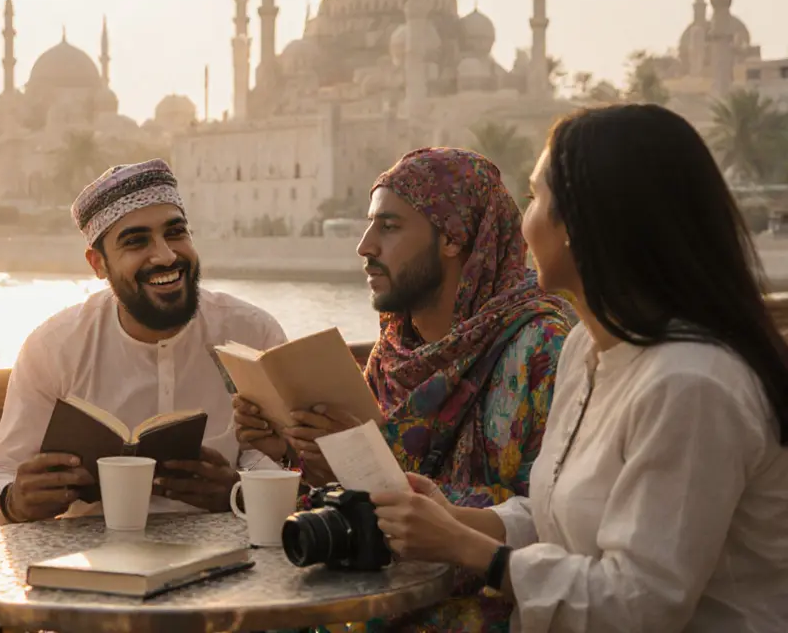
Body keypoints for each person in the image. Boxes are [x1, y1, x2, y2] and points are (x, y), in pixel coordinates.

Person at [373, 104, 788, 631]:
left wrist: (470, 550)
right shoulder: (586, 351)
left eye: (534, 198)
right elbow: (563, 521)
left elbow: (641, 603)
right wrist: (457, 520)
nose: (521, 229)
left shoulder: (691, 383)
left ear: (578, 224)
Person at [236, 147, 573, 631]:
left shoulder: (540, 348)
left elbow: (550, 519)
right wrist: (293, 448)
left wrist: (374, 467)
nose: (364, 246)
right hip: (368, 601)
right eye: (370, 224)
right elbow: (364, 490)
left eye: (389, 227)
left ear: (454, 238)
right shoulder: (396, 347)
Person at [0, 159, 289, 526]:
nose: (166, 255)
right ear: (98, 264)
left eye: (175, 233)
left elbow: (280, 459)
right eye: (136, 242)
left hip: (230, 557)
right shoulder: (54, 347)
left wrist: (238, 492)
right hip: (91, 566)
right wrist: (15, 501)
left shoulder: (252, 332)